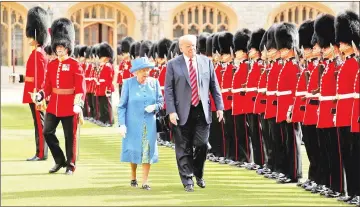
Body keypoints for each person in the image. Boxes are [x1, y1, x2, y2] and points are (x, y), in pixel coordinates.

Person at [164, 34, 224, 192]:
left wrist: (219, 107)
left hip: (201, 110)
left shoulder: (206, 62)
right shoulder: (172, 64)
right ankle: (187, 179)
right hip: (181, 111)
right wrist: (171, 111)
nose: (192, 49)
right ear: (181, 47)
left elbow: (214, 86)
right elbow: (168, 90)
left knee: (202, 144)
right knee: (183, 147)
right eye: (188, 46)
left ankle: (198, 172)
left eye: (194, 46)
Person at [33, 18, 86, 175]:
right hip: (54, 105)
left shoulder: (75, 65)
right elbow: (48, 85)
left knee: (70, 137)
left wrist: (78, 104)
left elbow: (80, 87)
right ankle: (59, 160)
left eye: (62, 47)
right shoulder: (52, 64)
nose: (59, 50)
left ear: (68, 48)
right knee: (47, 132)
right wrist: (41, 94)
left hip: (70, 106)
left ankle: (70, 165)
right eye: (57, 47)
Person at [118, 57, 164, 190]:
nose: (145, 73)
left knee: (146, 152)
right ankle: (133, 175)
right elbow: (122, 106)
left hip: (148, 124)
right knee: (134, 150)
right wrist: (122, 124)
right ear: (135, 72)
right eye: (143, 70)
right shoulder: (128, 84)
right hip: (132, 124)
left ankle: (145, 181)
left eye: (147, 70)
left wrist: (154, 107)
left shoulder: (154, 83)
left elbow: (161, 102)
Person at [11, 6, 50, 161]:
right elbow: (31, 76)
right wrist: (20, 77)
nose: (28, 39)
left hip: (36, 95)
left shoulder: (39, 55)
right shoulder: (36, 53)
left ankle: (41, 153)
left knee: (40, 125)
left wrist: (39, 95)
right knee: (38, 124)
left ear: (36, 35)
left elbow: (42, 78)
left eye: (30, 35)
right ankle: (40, 152)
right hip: (32, 93)